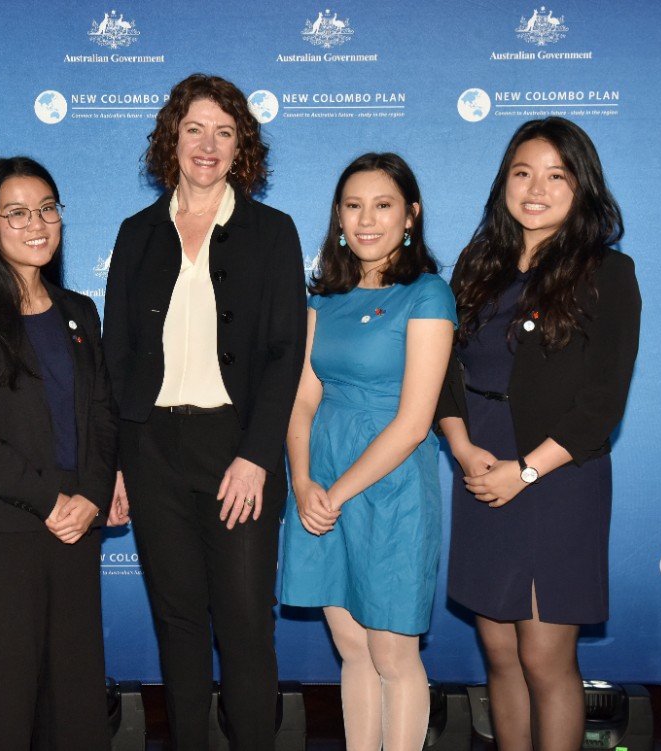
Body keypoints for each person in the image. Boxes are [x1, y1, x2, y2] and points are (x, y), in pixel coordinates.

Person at [102, 73, 305, 750]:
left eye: (224, 131)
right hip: (151, 446)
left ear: (241, 145)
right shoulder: (137, 234)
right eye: (195, 129)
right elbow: (117, 356)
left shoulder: (272, 232)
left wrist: (255, 454)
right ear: (172, 138)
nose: (208, 145)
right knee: (179, 621)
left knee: (245, 623)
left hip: (235, 445)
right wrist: (116, 464)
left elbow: (284, 352)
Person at [437, 117, 640, 751]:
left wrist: (523, 470)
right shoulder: (477, 265)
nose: (536, 188)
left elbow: (602, 402)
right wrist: (466, 449)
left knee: (546, 661)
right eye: (523, 172)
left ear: (582, 187)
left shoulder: (608, 271)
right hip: (481, 467)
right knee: (499, 654)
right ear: (504, 180)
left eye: (557, 175)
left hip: (557, 479)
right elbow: (443, 371)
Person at [0, 157, 117, 750]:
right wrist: (51, 499)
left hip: (77, 526)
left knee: (75, 693)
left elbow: (102, 413)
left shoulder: (78, 311)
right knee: (2, 696)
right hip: (4, 526)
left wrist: (90, 493)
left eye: (46, 208)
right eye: (16, 212)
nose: (36, 223)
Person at [278, 153, 455, 751]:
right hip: (319, 481)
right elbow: (302, 402)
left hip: (390, 486)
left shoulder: (428, 294)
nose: (367, 219)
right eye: (353, 205)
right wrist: (304, 483)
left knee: (391, 650)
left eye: (383, 204)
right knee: (353, 648)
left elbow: (412, 424)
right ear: (338, 216)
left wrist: (336, 493)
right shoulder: (323, 298)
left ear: (411, 214)